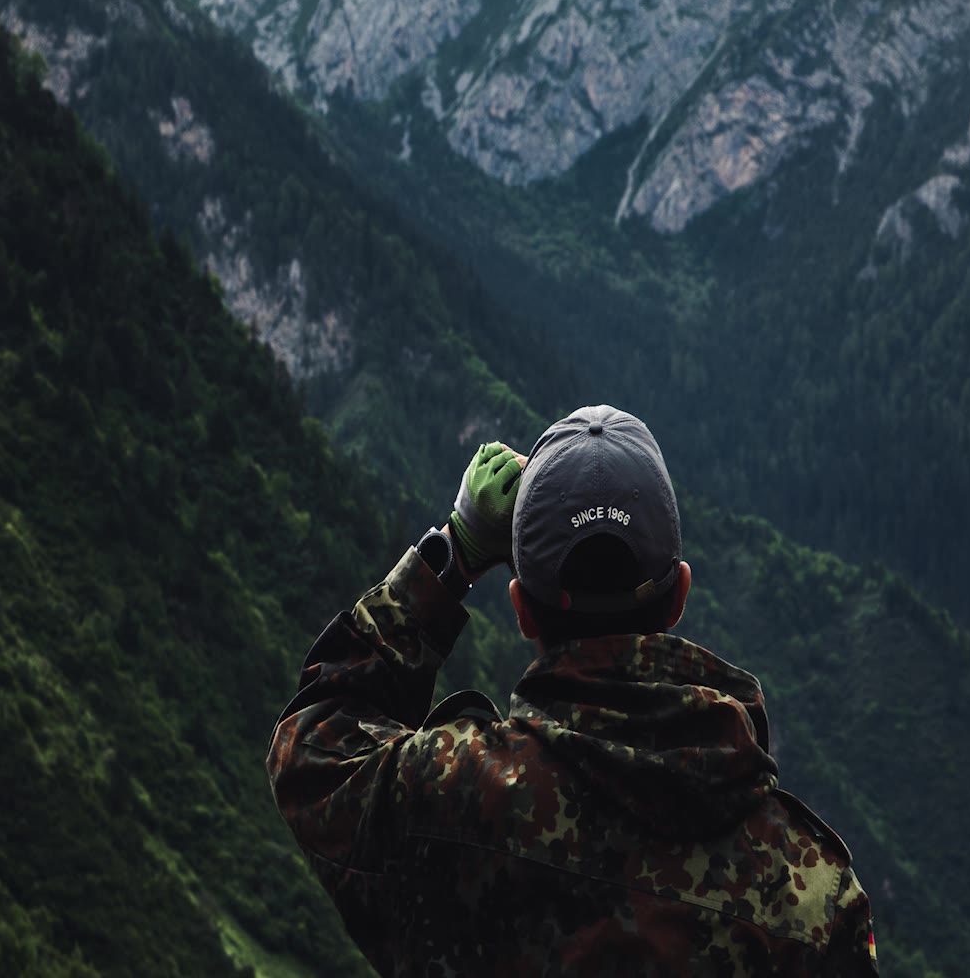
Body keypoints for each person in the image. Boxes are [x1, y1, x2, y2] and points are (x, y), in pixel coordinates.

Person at [268, 405, 878, 975]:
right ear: (680, 596)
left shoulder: (451, 798)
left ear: (523, 613)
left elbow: (314, 748)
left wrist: (453, 556)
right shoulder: (812, 897)